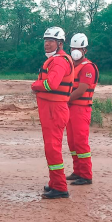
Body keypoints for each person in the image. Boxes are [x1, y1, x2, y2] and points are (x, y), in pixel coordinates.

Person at [31, 27, 75, 199]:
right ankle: (54, 183)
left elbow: (52, 84)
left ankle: (60, 187)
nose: (47, 44)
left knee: (53, 148)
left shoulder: (58, 61)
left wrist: (35, 86)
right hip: (52, 109)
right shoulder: (57, 60)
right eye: (45, 40)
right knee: (51, 148)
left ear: (60, 43)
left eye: (51, 41)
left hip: (54, 110)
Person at [66, 33, 99, 185]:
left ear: (85, 50)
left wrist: (64, 99)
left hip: (81, 108)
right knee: (72, 142)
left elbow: (81, 90)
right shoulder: (72, 66)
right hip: (70, 108)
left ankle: (86, 175)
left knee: (81, 142)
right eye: (73, 47)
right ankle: (77, 171)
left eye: (78, 48)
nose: (75, 50)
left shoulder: (88, 68)